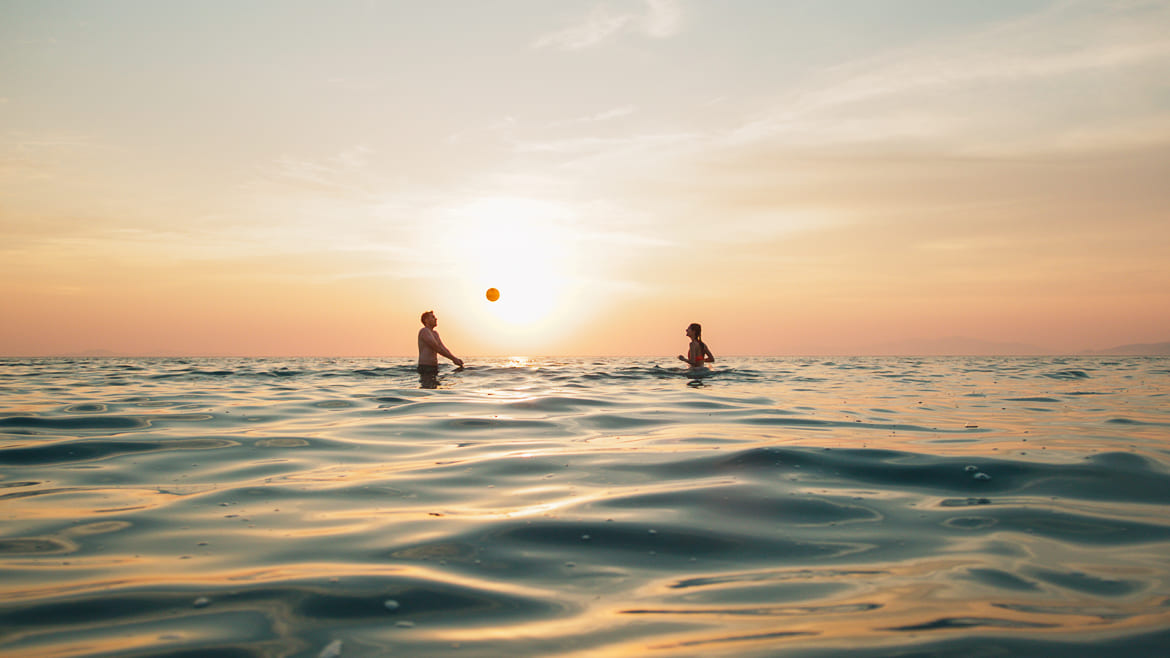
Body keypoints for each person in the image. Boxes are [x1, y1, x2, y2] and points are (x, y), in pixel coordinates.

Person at [418, 310, 463, 388]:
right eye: (432, 317)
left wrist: (455, 358)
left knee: (435, 387)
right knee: (428, 388)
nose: (436, 319)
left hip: (434, 367)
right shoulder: (424, 331)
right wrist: (453, 359)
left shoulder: (435, 333)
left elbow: (443, 348)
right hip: (425, 367)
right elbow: (436, 347)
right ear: (426, 320)